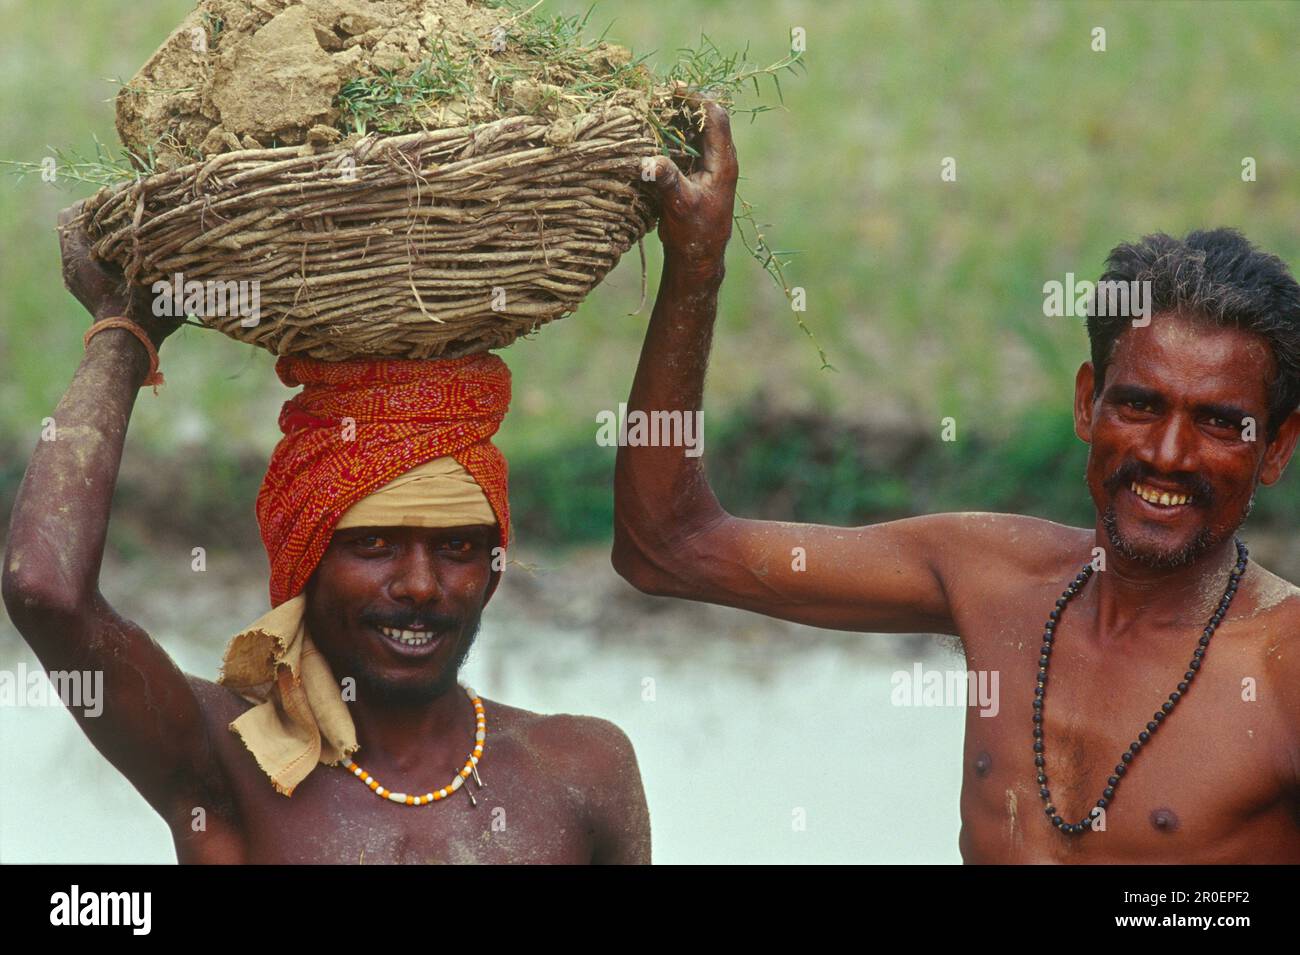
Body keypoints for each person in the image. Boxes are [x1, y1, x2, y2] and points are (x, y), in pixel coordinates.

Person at [615, 99, 1300, 863]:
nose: (1169, 454)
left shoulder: (1283, 663)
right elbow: (668, 546)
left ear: (1276, 447)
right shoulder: (991, 576)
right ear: (1086, 403)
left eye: (1217, 423)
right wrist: (697, 263)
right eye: (1140, 405)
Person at [2, 204, 650, 865]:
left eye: (456, 546)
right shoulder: (225, 759)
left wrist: (698, 263)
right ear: (303, 556)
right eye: (373, 544)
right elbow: (44, 589)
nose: (421, 584)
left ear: (494, 565)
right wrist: (123, 332)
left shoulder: (582, 774)